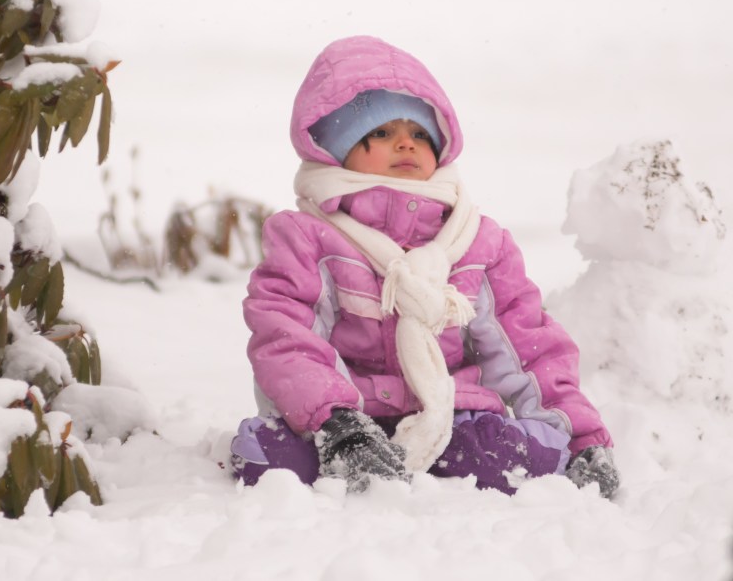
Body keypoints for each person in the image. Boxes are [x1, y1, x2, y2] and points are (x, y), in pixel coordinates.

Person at [229, 35, 620, 498]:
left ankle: (467, 454)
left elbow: (529, 348)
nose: (405, 144)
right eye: (379, 132)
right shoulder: (307, 236)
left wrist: (581, 439)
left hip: (451, 417)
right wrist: (336, 422)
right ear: (337, 148)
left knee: (502, 454)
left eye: (419, 133)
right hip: (346, 417)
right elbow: (287, 339)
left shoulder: (476, 241)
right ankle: (347, 450)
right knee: (267, 460)